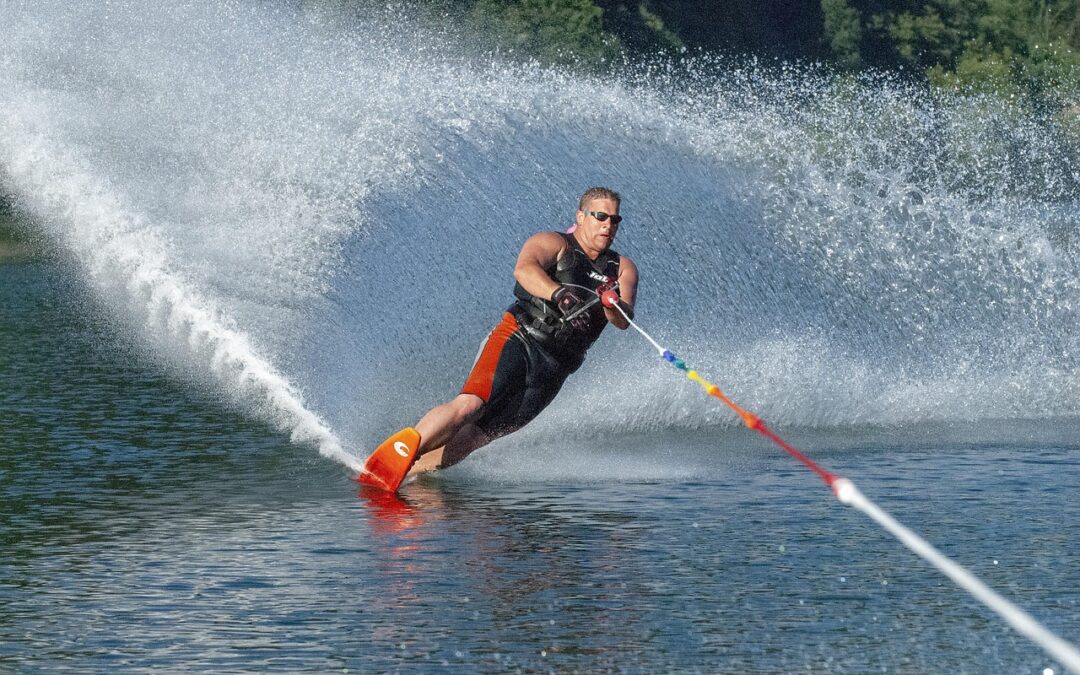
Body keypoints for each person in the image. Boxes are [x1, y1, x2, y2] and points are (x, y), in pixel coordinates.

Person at [363, 187, 638, 485]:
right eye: (600, 216)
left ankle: (402, 476)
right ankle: (403, 453)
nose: (608, 225)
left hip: (557, 367)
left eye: (615, 219)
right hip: (520, 337)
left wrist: (611, 303)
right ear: (581, 216)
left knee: (475, 437)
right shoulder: (554, 243)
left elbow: (623, 321)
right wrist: (558, 292)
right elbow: (524, 270)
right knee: (470, 405)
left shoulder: (622, 269)